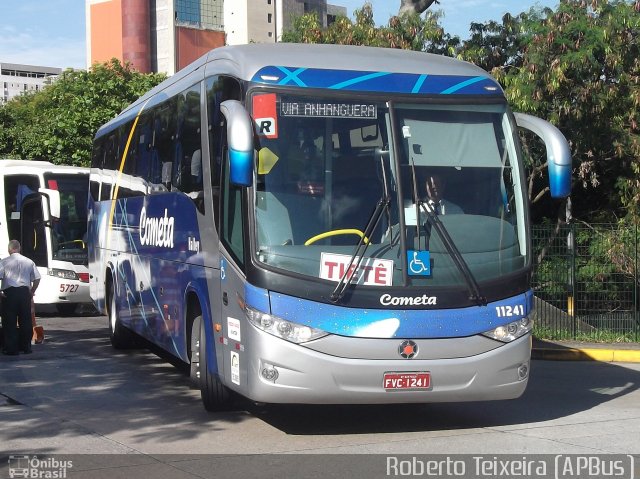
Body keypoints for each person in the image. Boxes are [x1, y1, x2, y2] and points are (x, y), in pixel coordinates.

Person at [0, 240, 41, 355]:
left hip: (10, 293)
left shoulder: (4, 262)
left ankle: (11, 349)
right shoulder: (29, 262)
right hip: (24, 293)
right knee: (26, 321)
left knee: (9, 321)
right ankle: (26, 347)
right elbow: (37, 278)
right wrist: (32, 291)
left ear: (9, 249)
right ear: (19, 248)